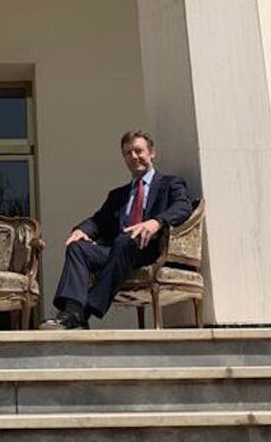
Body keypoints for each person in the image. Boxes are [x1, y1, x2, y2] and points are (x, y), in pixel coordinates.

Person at [41, 130, 193, 330]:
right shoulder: (118, 195)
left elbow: (183, 206)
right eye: (128, 153)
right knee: (77, 248)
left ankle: (84, 312)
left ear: (152, 153)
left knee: (125, 239)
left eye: (138, 151)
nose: (134, 157)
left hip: (148, 249)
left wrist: (155, 222)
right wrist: (81, 230)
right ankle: (72, 310)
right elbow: (98, 221)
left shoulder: (170, 184)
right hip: (118, 251)